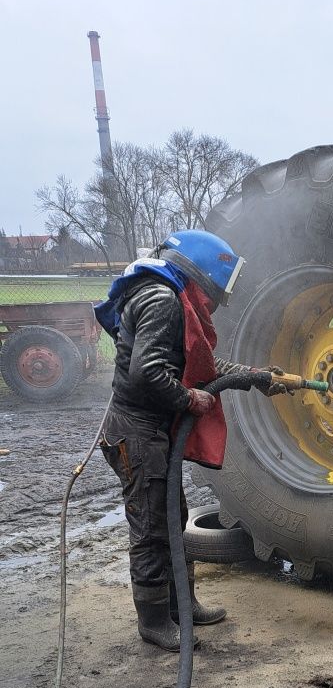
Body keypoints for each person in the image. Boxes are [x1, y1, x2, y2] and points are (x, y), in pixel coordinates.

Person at [95, 229, 285, 651]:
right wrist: (189, 398)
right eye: (216, 293)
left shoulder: (172, 298)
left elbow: (200, 360)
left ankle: (183, 604)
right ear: (201, 277)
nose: (216, 304)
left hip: (151, 431)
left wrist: (256, 377)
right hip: (136, 431)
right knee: (151, 528)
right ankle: (155, 620)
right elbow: (148, 373)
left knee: (173, 516)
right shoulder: (163, 302)